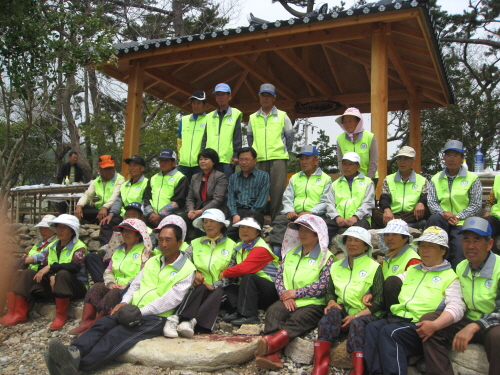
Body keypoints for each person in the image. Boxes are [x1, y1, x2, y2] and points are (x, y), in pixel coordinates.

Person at [44, 224, 196, 375]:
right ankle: (73, 351)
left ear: (180, 242)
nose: (163, 244)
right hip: (130, 308)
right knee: (103, 323)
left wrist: (139, 312)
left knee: (117, 335)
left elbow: (171, 300)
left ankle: (78, 366)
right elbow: (135, 284)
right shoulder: (153, 261)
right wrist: (124, 303)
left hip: (156, 317)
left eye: (168, 240)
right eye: (161, 239)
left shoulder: (187, 269)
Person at [364, 226, 465, 375]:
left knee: (390, 333)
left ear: (443, 250)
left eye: (430, 246)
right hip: (399, 318)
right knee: (372, 328)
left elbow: (457, 307)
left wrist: (436, 325)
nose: (424, 250)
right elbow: (393, 281)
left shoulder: (450, 277)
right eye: (422, 246)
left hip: (419, 325)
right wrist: (372, 292)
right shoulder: (413, 270)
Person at [421, 217, 500, 375]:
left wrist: (475, 326)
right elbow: (455, 301)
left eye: (477, 240)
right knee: (429, 321)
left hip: (492, 324)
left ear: (489, 244)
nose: (470, 246)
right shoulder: (461, 266)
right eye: (466, 240)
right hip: (467, 318)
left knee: (498, 336)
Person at [255, 215, 334, 370]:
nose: (302, 234)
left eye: (307, 231)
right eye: (300, 230)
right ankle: (272, 355)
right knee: (273, 311)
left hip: (313, 303)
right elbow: (279, 277)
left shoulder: (326, 257)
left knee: (298, 319)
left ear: (317, 234)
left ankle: (270, 346)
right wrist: (285, 295)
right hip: (288, 299)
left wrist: (296, 293)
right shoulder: (291, 253)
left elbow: (323, 284)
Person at [312, 226, 383, 375]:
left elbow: (379, 301)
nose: (352, 243)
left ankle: (358, 370)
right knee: (331, 312)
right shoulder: (336, 266)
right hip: (344, 310)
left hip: (365, 314)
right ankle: (320, 366)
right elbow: (330, 292)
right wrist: (331, 302)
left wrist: (356, 316)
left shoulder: (374, 267)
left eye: (357, 240)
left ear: (365, 246)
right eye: (349, 240)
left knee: (358, 323)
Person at [68, 219, 152, 335]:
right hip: (114, 284)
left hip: (131, 288)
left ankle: (94, 326)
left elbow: (144, 273)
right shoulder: (118, 250)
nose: (125, 234)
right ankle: (86, 322)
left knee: (114, 294)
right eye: (124, 231)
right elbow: (108, 271)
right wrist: (111, 283)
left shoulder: (145, 252)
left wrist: (126, 285)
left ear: (138, 235)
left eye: (130, 232)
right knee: (96, 288)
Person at [4, 215, 88, 330]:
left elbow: (75, 267)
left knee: (63, 273)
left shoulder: (79, 246)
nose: (60, 230)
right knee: (27, 273)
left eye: (64, 228)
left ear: (72, 231)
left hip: (74, 287)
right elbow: (42, 267)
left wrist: (51, 268)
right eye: (58, 227)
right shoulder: (53, 245)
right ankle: (19, 313)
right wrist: (50, 276)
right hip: (54, 285)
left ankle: (60, 316)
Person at [164, 209, 236, 338]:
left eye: (212, 221)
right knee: (201, 287)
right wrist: (193, 273)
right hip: (197, 287)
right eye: (205, 222)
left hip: (220, 289)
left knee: (218, 293)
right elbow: (183, 262)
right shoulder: (195, 243)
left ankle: (191, 322)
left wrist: (213, 286)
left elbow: (232, 274)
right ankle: (175, 319)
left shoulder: (232, 246)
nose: (208, 225)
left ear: (221, 225)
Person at [425, 140, 482, 268]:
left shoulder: (472, 179)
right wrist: (444, 214)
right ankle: (431, 267)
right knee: (433, 219)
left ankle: (456, 277)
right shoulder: (436, 178)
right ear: (444, 158)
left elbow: (476, 205)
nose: (451, 159)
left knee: (458, 248)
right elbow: (432, 202)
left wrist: (458, 216)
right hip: (442, 219)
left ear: (462, 158)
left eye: (456, 155)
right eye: (448, 155)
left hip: (462, 222)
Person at [270, 145, 334, 257]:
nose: (303, 162)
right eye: (301, 159)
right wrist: (289, 210)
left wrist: (312, 212)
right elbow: (287, 197)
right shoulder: (295, 178)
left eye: (307, 158)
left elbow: (325, 201)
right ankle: (277, 253)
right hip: (295, 214)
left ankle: (317, 255)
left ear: (316, 161)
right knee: (279, 220)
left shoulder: (326, 179)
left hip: (315, 215)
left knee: (325, 224)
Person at [222, 212, 280, 326]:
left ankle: (249, 315)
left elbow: (243, 269)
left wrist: (224, 272)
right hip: (253, 291)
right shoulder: (239, 246)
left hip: (271, 290)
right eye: (242, 227)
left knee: (248, 277)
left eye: (249, 227)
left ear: (257, 231)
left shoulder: (261, 248)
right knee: (230, 286)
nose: (244, 230)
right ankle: (237, 310)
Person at [247, 83, 294, 221]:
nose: (265, 98)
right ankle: (257, 221)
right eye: (263, 95)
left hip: (278, 158)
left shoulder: (282, 115)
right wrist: (254, 154)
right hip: (259, 159)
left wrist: (285, 151)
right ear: (259, 97)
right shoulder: (253, 117)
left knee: (277, 192)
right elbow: (250, 138)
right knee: (258, 191)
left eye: (269, 96)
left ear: (274, 98)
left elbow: (290, 136)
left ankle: (277, 222)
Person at [0, 215, 56, 325]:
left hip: (44, 277)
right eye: (41, 228)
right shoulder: (39, 244)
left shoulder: (56, 243)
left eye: (46, 228)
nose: (42, 231)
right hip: (32, 274)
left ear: (53, 229)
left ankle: (19, 313)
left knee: (19, 272)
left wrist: (22, 261)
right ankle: (11, 312)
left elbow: (38, 258)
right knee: (10, 274)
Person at [373, 146, 430, 229]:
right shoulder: (388, 179)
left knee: (427, 209)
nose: (402, 162)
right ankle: (409, 225)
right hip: (393, 214)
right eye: (399, 159)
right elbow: (384, 197)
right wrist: (387, 210)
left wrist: (421, 203)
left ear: (413, 162)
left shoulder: (422, 180)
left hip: (412, 214)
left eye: (406, 159)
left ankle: (394, 225)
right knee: (373, 212)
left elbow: (426, 196)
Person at [74, 155, 125, 245]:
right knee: (84, 209)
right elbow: (87, 195)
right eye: (105, 169)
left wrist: (105, 207)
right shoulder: (96, 181)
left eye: (110, 168)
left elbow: (115, 196)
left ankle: (104, 244)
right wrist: (79, 206)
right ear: (100, 168)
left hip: (113, 210)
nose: (108, 171)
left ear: (114, 167)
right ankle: (98, 219)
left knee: (111, 220)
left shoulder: (120, 180)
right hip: (99, 211)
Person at [226, 147, 270, 242]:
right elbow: (231, 198)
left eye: (247, 159)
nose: (244, 162)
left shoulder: (263, 176)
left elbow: (262, 200)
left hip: (255, 212)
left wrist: (250, 216)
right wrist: (234, 214)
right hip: (237, 212)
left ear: (255, 161)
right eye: (241, 159)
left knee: (251, 235)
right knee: (228, 235)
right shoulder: (233, 177)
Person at [182, 148, 228, 238]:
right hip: (196, 209)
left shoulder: (220, 176)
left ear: (213, 161)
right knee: (180, 219)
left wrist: (201, 211)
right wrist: (191, 210)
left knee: (201, 220)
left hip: (213, 210)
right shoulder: (195, 177)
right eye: (200, 159)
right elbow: (190, 197)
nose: (202, 161)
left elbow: (218, 199)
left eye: (206, 159)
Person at [326, 152, 374, 236]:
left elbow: (368, 203)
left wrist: (355, 217)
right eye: (344, 164)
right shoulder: (335, 184)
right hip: (338, 219)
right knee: (323, 227)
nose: (346, 167)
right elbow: (329, 203)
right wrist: (337, 217)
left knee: (357, 231)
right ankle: (324, 249)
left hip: (360, 219)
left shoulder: (367, 182)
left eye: (350, 164)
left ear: (358, 167)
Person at [377, 219, 421, 309]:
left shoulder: (413, 260)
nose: (389, 238)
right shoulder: (388, 258)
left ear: (405, 238)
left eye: (394, 234)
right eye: (387, 235)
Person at [205, 83, 242, 181]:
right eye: (218, 94)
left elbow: (237, 136)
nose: (220, 97)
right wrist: (203, 155)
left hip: (227, 159)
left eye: (223, 94)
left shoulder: (236, 113)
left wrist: (236, 155)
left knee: (226, 188)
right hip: (211, 159)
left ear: (230, 96)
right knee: (210, 188)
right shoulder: (208, 116)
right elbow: (204, 138)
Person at [143, 148, 188, 228]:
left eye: (166, 160)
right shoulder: (153, 178)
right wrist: (151, 214)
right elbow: (146, 198)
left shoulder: (180, 178)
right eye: (161, 160)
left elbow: (179, 201)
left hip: (172, 219)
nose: (163, 163)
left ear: (174, 163)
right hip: (151, 219)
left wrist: (160, 215)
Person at [102, 155, 148, 225]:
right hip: (123, 215)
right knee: (107, 222)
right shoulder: (124, 184)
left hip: (138, 217)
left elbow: (145, 203)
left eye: (134, 165)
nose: (131, 168)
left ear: (142, 168)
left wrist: (134, 217)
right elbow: (119, 201)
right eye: (130, 166)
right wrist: (111, 214)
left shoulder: (147, 183)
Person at [335, 107, 378, 181]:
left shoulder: (370, 136)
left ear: (358, 122)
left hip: (369, 177)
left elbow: (373, 161)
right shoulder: (340, 138)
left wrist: (368, 180)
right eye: (345, 121)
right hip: (349, 178)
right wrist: (345, 178)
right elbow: (340, 161)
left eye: (350, 121)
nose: (347, 124)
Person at [177, 90, 207, 183]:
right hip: (183, 164)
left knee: (198, 193)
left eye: (199, 103)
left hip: (200, 165)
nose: (196, 105)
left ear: (204, 104)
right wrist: (180, 157)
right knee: (181, 193)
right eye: (194, 103)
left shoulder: (209, 120)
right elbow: (179, 140)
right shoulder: (184, 120)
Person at [484, 174, 500, 253]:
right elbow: (490, 201)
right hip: (497, 218)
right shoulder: (498, 178)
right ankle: (492, 258)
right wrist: (484, 221)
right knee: (485, 225)